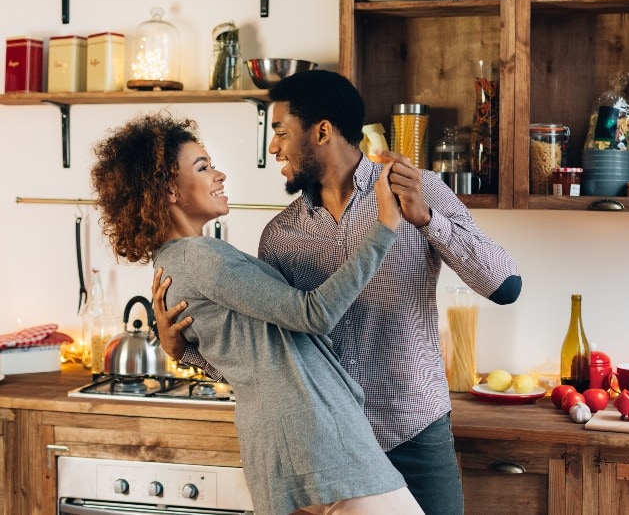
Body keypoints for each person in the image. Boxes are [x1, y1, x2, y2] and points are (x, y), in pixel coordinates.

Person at [154, 70, 522, 514]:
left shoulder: (418, 190)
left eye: (281, 133)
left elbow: (504, 285)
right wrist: (185, 352)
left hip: (415, 431)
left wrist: (427, 219)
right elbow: (274, 362)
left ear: (322, 131)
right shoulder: (280, 237)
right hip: (329, 450)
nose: (273, 148)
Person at [91, 112, 425, 515]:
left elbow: (247, 357)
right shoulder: (202, 258)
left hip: (284, 448)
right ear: (168, 191)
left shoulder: (174, 263)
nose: (220, 175)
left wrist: (182, 352)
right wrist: (385, 224)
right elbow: (314, 314)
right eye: (203, 167)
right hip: (319, 443)